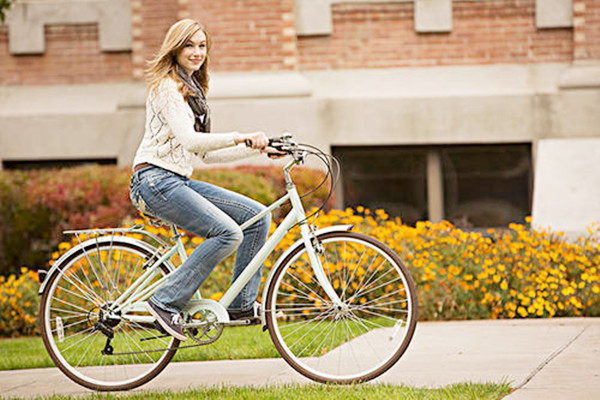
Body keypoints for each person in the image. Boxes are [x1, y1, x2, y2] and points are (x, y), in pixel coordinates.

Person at [129, 19, 283, 341]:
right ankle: (164, 302)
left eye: (202, 46)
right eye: (189, 45)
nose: (197, 52)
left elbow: (206, 155)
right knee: (227, 233)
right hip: (154, 180)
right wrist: (240, 136)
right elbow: (191, 141)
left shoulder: (191, 92)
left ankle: (241, 304)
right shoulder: (167, 87)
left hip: (177, 181)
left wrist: (257, 149)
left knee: (257, 218)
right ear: (175, 48)